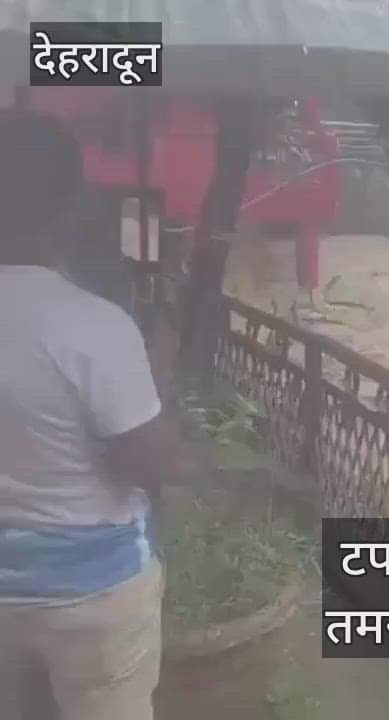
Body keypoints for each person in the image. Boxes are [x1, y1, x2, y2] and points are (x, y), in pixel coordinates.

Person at [0, 110, 178, 720]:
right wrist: (157, 376)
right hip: (89, 595)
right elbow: (149, 465)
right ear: (72, 209)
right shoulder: (93, 328)